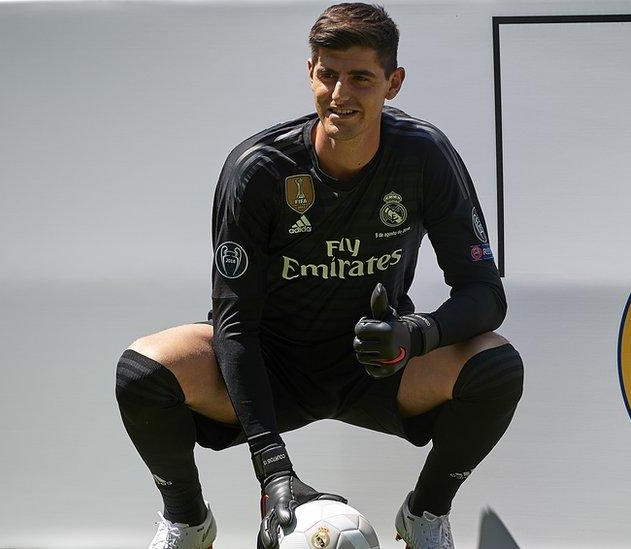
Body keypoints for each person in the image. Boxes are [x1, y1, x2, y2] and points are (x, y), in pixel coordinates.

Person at [114, 3, 523, 548]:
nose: (340, 94)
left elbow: (484, 295)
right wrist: (274, 470)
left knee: (496, 366)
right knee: (144, 372)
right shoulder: (259, 169)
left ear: (392, 83)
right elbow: (235, 326)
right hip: (271, 365)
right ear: (310, 72)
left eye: (360, 78)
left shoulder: (424, 156)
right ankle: (187, 520)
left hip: (378, 365)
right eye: (327, 74)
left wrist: (414, 333)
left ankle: (426, 514)